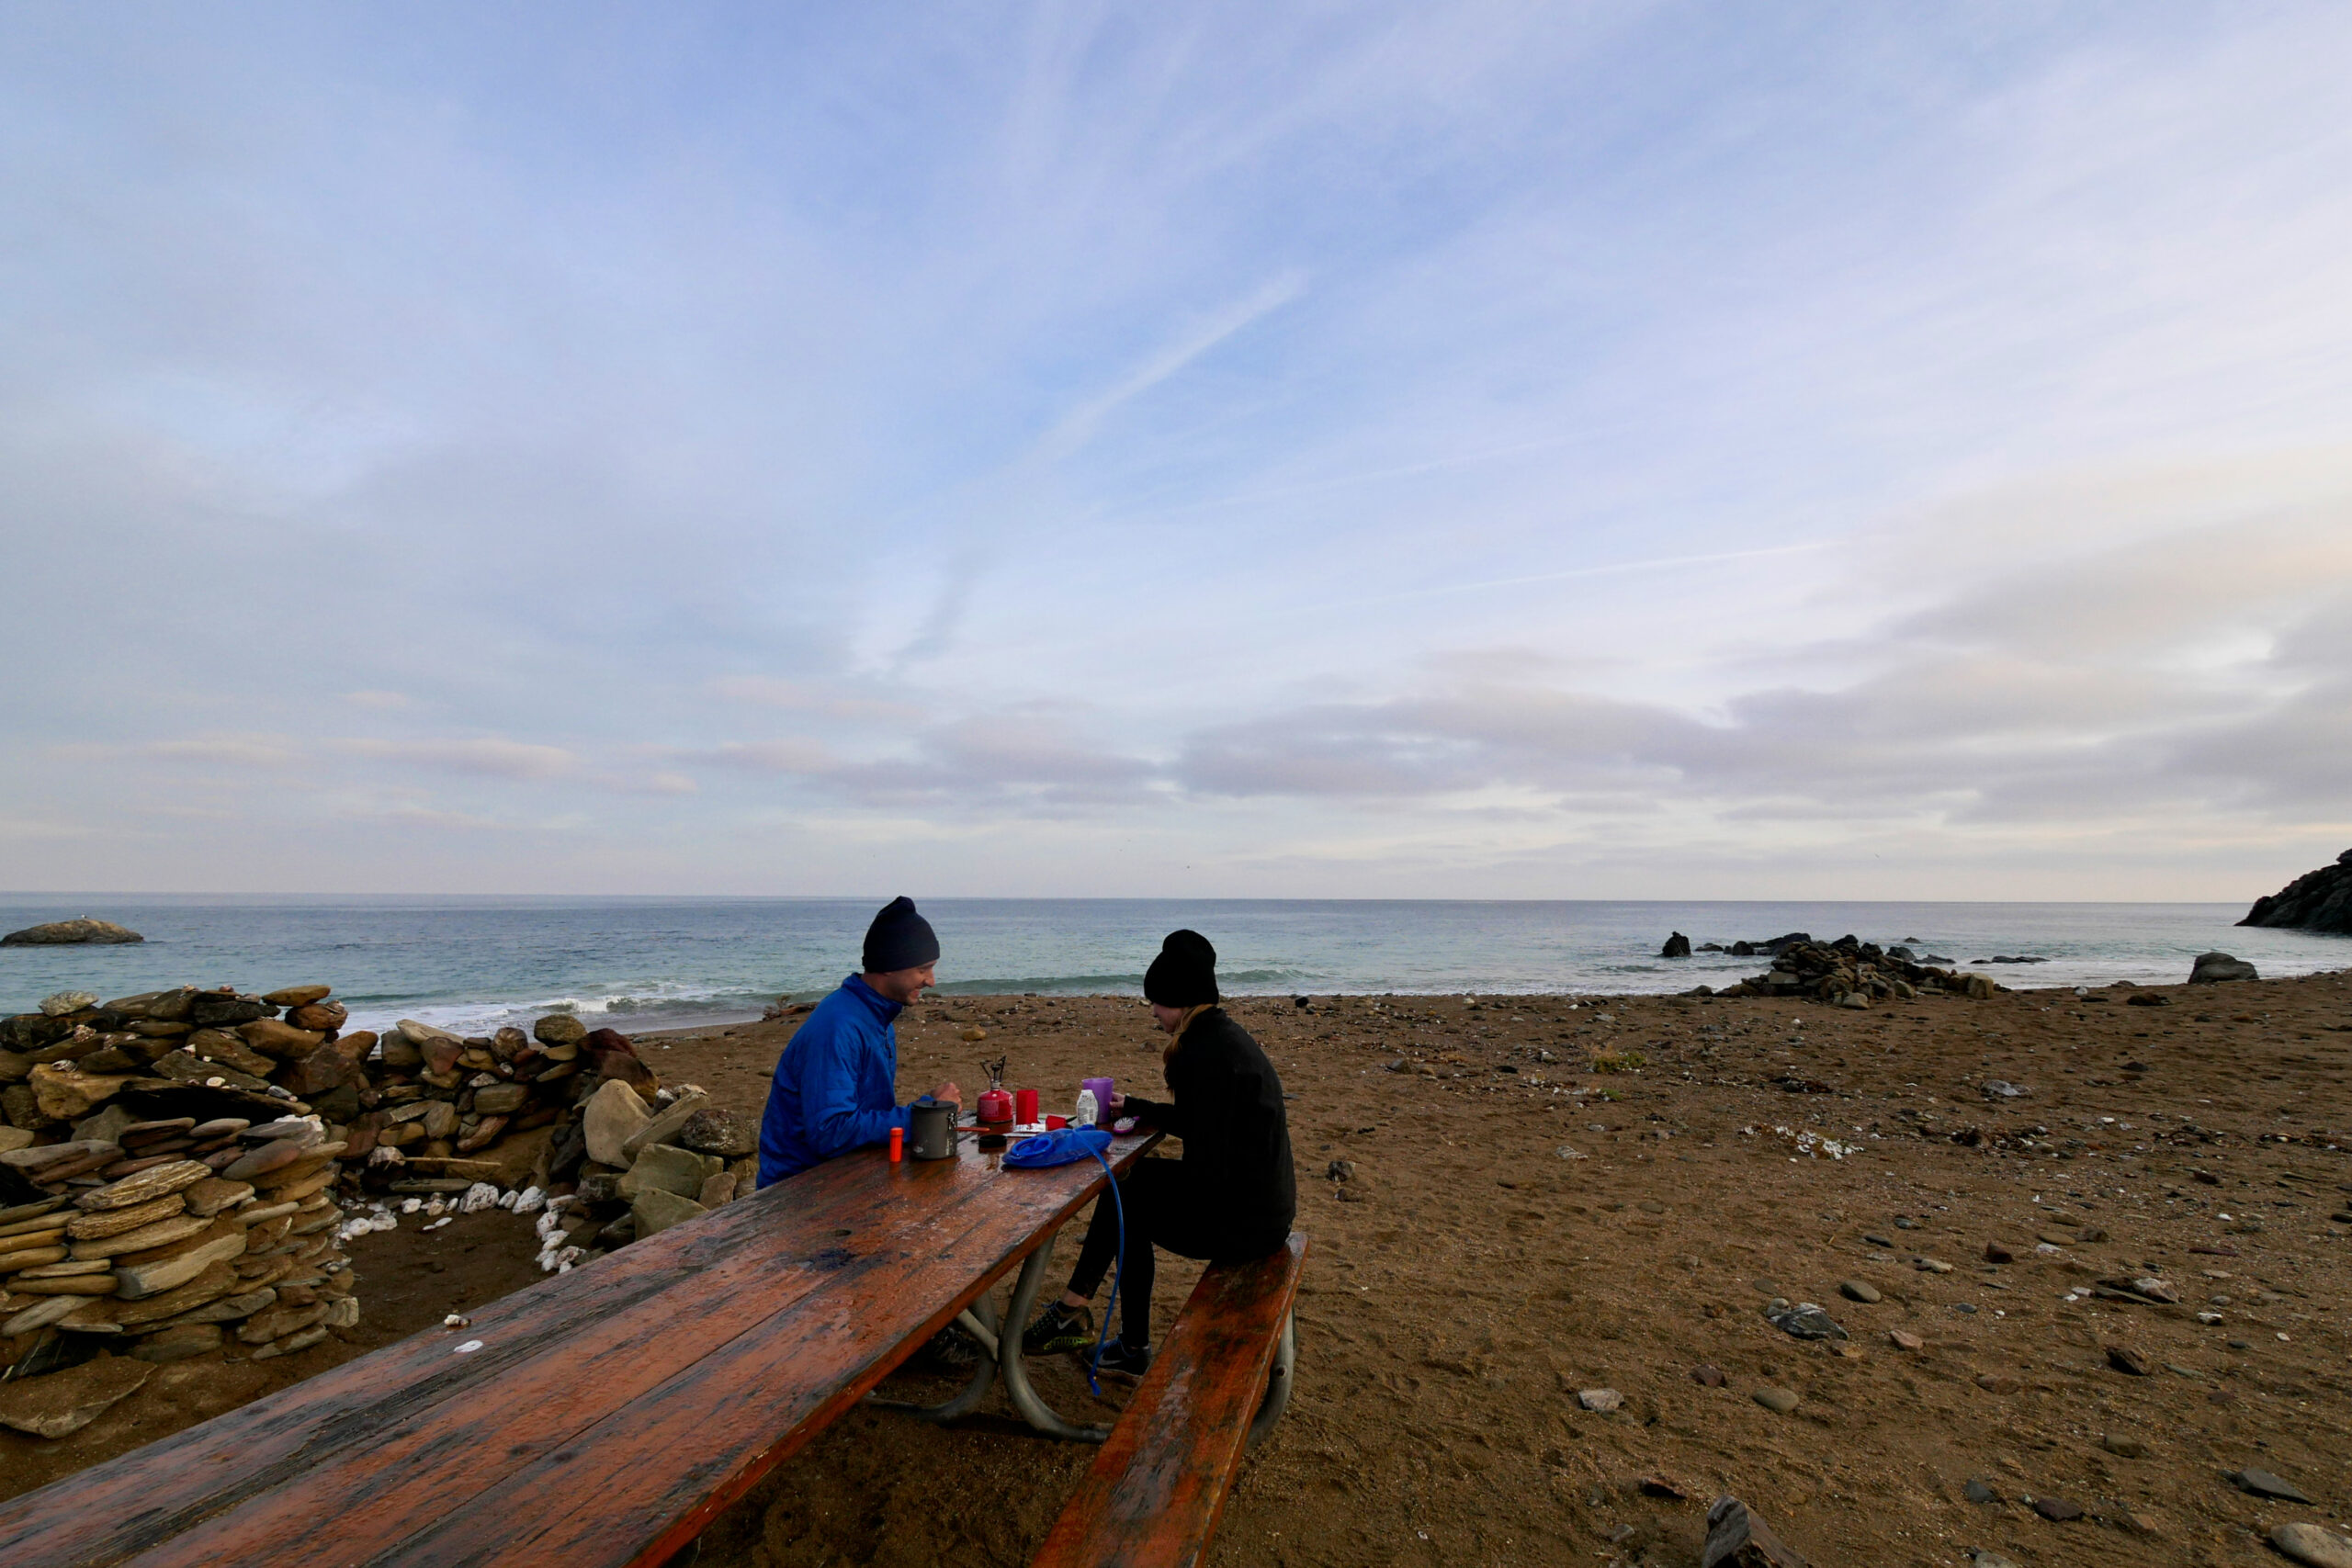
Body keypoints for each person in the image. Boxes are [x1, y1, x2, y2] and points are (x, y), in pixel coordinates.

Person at [1022, 929, 1295, 1376]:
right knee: (1130, 1190)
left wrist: (1152, 1180)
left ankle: (1097, 1326)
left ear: (1182, 1000)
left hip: (1248, 1225)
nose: (1153, 1012)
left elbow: (1206, 1166)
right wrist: (1136, 1108)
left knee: (1126, 1197)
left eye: (1158, 1001)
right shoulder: (1223, 1038)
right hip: (1268, 1210)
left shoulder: (1201, 1055)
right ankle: (1100, 1327)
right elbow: (1198, 1122)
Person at [757, 896, 961, 1188]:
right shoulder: (838, 1027)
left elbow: (864, 1115)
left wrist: (923, 1111)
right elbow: (831, 1132)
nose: (931, 980)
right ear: (890, 965)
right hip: (800, 1190)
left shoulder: (874, 1016)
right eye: (923, 969)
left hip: (848, 1174)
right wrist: (926, 1113)